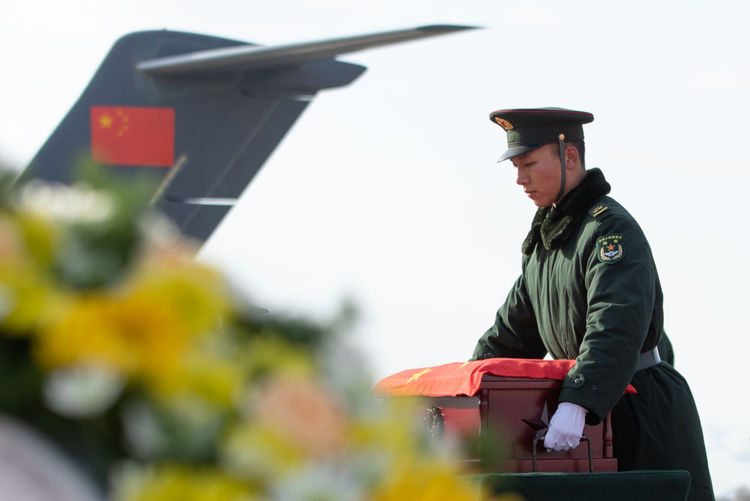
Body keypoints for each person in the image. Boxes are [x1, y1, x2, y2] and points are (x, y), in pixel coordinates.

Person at [471, 108, 713, 501]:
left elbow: (615, 323)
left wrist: (580, 398)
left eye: (529, 164)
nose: (520, 179)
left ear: (569, 157)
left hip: (641, 412)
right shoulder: (546, 242)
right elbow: (511, 335)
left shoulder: (609, 231)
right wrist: (465, 389)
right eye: (516, 167)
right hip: (587, 412)